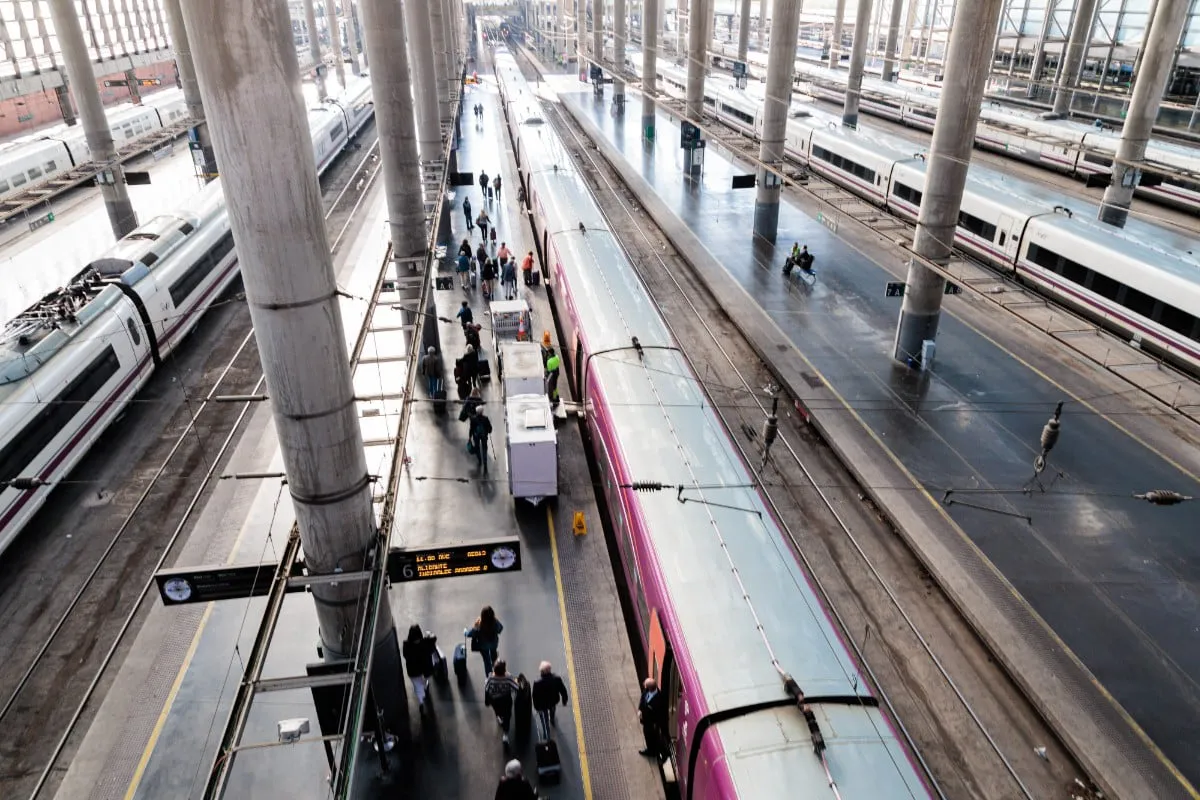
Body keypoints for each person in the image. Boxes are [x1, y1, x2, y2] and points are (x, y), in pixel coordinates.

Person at [484, 660, 520, 745]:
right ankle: (505, 735)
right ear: (504, 670)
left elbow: (486, 688)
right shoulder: (507, 678)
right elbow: (516, 687)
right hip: (505, 699)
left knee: (498, 710)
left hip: (494, 700)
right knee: (507, 715)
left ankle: (499, 717)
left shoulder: (491, 678)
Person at [532, 661, 569, 740]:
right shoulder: (556, 679)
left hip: (542, 705)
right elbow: (563, 690)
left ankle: (547, 737)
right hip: (553, 701)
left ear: (541, 671)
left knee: (545, 722)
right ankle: (552, 718)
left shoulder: (537, 682)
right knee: (552, 709)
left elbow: (534, 696)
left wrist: (536, 707)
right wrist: (564, 700)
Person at [402, 625, 436, 711]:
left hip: (413, 672)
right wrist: (431, 636)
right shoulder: (425, 642)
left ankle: (421, 702)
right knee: (425, 680)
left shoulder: (407, 645)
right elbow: (432, 648)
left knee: (418, 687)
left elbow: (406, 656)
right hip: (426, 669)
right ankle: (426, 687)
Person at [466, 606, 504, 678]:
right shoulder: (495, 622)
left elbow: (470, 634)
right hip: (493, 644)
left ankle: (489, 677)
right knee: (494, 655)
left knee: (487, 662)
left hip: (483, 646)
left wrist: (465, 631)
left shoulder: (479, 625)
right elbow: (500, 629)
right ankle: (496, 668)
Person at [638, 677, 668, 761]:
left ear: (649, 688)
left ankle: (664, 754)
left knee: (656, 739)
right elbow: (642, 700)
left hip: (653, 724)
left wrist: (657, 725)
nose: (644, 686)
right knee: (647, 736)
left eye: (645, 685)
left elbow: (661, 715)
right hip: (646, 721)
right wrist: (640, 710)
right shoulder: (646, 691)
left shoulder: (660, 699)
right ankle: (650, 750)